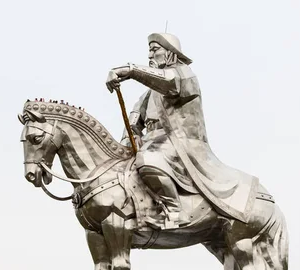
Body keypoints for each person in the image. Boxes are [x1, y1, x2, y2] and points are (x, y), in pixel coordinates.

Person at [106, 33, 258, 228]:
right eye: (149, 51)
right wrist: (130, 139)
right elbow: (135, 121)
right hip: (150, 143)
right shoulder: (147, 94)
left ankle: (174, 211)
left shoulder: (184, 74)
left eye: (155, 50)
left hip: (179, 141)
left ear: (170, 53)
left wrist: (130, 70)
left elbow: (167, 82)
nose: (150, 55)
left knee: (148, 160)